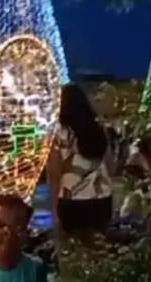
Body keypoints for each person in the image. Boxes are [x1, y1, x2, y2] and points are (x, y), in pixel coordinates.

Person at [47, 83, 114, 240]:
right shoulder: (99, 129)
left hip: (72, 202)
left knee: (73, 248)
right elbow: (111, 165)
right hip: (102, 200)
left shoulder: (58, 133)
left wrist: (54, 211)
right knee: (98, 247)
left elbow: (54, 172)